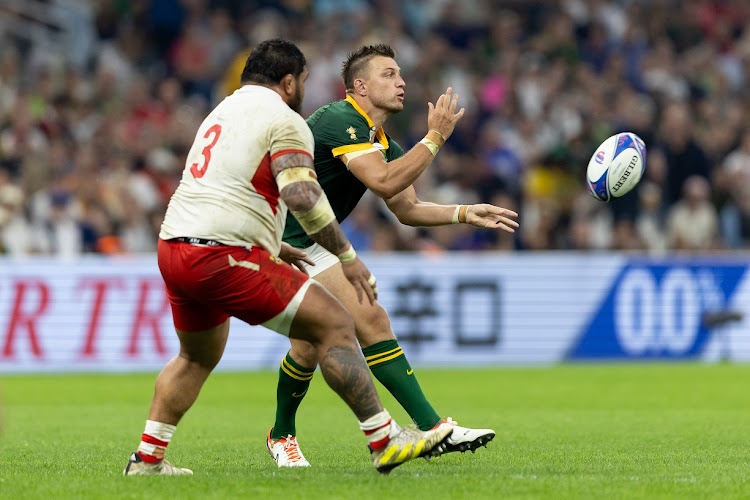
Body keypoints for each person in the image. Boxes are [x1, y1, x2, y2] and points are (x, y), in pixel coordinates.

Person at [123, 39, 452, 476]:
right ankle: (384, 438)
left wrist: (272, 241)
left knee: (195, 357)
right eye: (304, 83)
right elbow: (302, 194)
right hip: (222, 254)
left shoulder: (219, 114)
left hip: (175, 247)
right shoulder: (286, 120)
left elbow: (220, 186)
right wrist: (346, 254)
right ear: (290, 81)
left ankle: (147, 460)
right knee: (335, 322)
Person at [267, 44, 519, 467]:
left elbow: (406, 208)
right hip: (272, 239)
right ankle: (431, 427)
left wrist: (463, 213)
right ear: (359, 86)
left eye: (400, 74)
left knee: (318, 342)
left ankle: (283, 434)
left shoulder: (380, 141)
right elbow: (383, 182)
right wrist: (435, 137)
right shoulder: (340, 119)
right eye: (388, 74)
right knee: (360, 321)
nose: (401, 81)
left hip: (313, 243)